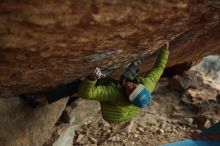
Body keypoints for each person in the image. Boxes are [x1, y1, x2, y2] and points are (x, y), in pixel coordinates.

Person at [78, 42, 169, 123]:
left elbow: (86, 94)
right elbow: (159, 69)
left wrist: (92, 79)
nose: (130, 86)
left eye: (131, 92)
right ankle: (136, 63)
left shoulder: (114, 95)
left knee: (105, 82)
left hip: (112, 115)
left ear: (129, 98)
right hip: (129, 110)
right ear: (142, 87)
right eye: (135, 87)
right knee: (126, 78)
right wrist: (165, 50)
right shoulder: (147, 85)